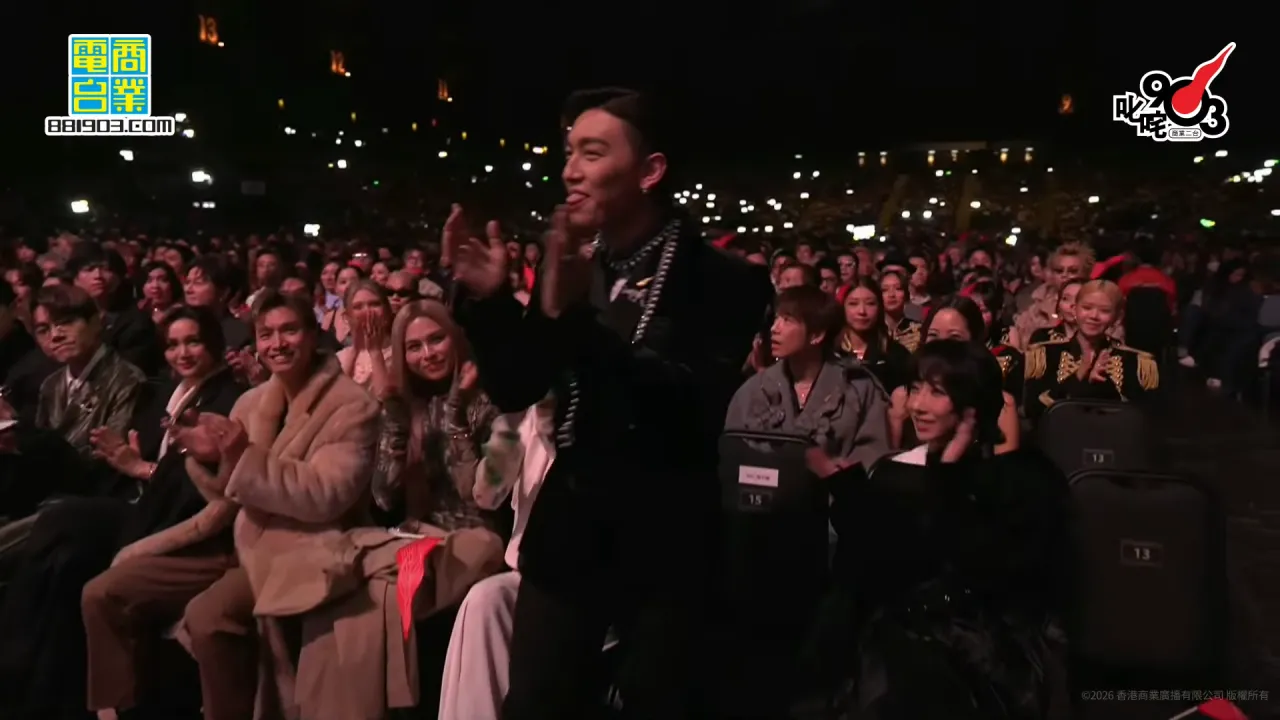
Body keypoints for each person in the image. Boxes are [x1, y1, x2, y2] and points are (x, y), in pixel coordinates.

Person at [447, 87, 773, 718]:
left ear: (650, 170)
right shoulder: (578, 263)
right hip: (570, 527)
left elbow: (683, 403)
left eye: (592, 153)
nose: (570, 170)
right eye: (568, 152)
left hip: (668, 536)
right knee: (536, 703)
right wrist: (489, 304)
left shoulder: (724, 279)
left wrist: (574, 319)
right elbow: (517, 386)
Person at [0, 307, 242, 718]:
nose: (182, 353)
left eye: (193, 342)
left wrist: (140, 468)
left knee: (63, 526)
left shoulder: (226, 399)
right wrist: (128, 462)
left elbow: (209, 490)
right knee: (58, 550)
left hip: (178, 522)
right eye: (173, 344)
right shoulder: (168, 394)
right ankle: (30, 685)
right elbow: (132, 460)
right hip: (142, 505)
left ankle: (37, 684)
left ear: (215, 344)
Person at [815, 339, 1070, 719]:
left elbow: (986, 570)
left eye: (936, 393)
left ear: (972, 403)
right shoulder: (896, 474)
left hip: (985, 650)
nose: (917, 405)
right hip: (900, 642)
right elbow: (872, 572)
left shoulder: (1023, 480)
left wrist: (948, 474)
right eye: (915, 389)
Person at [175, 289, 380, 720]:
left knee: (206, 616)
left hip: (309, 545)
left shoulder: (353, 405)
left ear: (313, 336)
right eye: (266, 334)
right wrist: (208, 458)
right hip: (241, 538)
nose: (277, 344)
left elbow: (325, 496)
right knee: (108, 591)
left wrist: (242, 456)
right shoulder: (252, 401)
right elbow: (227, 495)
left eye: (289, 331)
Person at [726, 284, 890, 470]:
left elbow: (872, 453)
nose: (775, 328)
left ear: (816, 335)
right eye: (776, 318)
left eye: (787, 320)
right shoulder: (755, 389)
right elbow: (732, 453)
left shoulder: (857, 388)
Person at [1024, 279, 1160, 423]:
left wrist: (1104, 385)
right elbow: (1033, 411)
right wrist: (1079, 375)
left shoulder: (1136, 361)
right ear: (1075, 309)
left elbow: (1146, 418)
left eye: (1104, 311)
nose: (1094, 316)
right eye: (1087, 308)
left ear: (1117, 317)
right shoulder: (1045, 354)